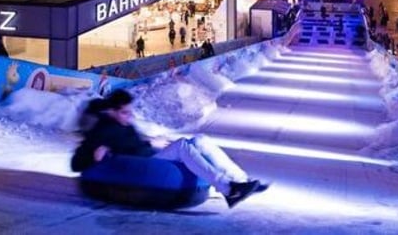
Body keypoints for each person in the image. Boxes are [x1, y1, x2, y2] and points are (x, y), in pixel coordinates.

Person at [71, 89, 267, 208]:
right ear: (112, 111)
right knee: (183, 146)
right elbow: (76, 163)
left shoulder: (124, 125)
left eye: (130, 112)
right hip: (143, 166)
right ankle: (228, 189)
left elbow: (133, 144)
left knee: (200, 140)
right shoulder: (102, 131)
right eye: (124, 113)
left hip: (148, 156)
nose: (128, 117)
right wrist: (95, 155)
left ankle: (242, 181)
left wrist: (151, 143)